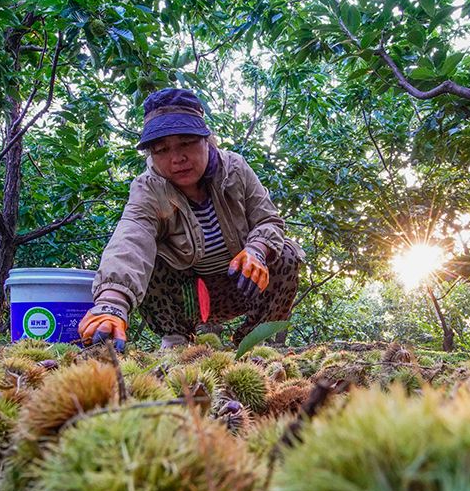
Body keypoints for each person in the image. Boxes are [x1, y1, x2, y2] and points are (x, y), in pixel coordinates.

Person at [78, 88, 304, 351]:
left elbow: (269, 221)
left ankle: (254, 343)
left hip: (243, 286)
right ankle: (176, 340)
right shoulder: (148, 188)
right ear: (151, 155)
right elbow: (131, 238)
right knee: (152, 259)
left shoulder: (236, 169)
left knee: (286, 254)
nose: (177, 158)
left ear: (207, 140)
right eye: (162, 149)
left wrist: (257, 250)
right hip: (187, 297)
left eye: (186, 143)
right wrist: (111, 304)